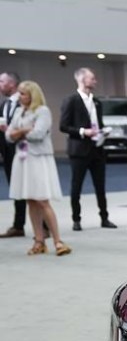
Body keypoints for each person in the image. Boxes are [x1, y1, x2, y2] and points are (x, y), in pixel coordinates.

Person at [5, 81, 70, 256]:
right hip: (23, 160)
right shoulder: (19, 111)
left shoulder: (43, 111)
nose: (20, 96)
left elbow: (38, 134)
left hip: (39, 159)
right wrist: (23, 130)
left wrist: (19, 132)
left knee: (42, 200)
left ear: (32, 95)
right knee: (30, 200)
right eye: (19, 93)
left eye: (23, 93)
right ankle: (39, 241)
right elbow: (8, 136)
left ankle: (58, 240)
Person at [59, 67, 117, 231]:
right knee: (76, 186)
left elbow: (98, 122)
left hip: (97, 149)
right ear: (82, 80)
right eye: (92, 78)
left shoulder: (96, 102)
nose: (95, 81)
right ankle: (76, 219)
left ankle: (104, 217)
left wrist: (104, 131)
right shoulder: (71, 100)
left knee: (100, 186)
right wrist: (83, 132)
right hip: (79, 150)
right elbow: (63, 126)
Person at [0, 71, 29, 238]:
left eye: (1, 81)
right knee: (16, 190)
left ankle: (45, 225)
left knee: (32, 191)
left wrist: (10, 130)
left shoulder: (24, 102)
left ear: (11, 84)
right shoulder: (4, 104)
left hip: (24, 153)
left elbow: (28, 126)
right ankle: (18, 226)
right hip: (9, 155)